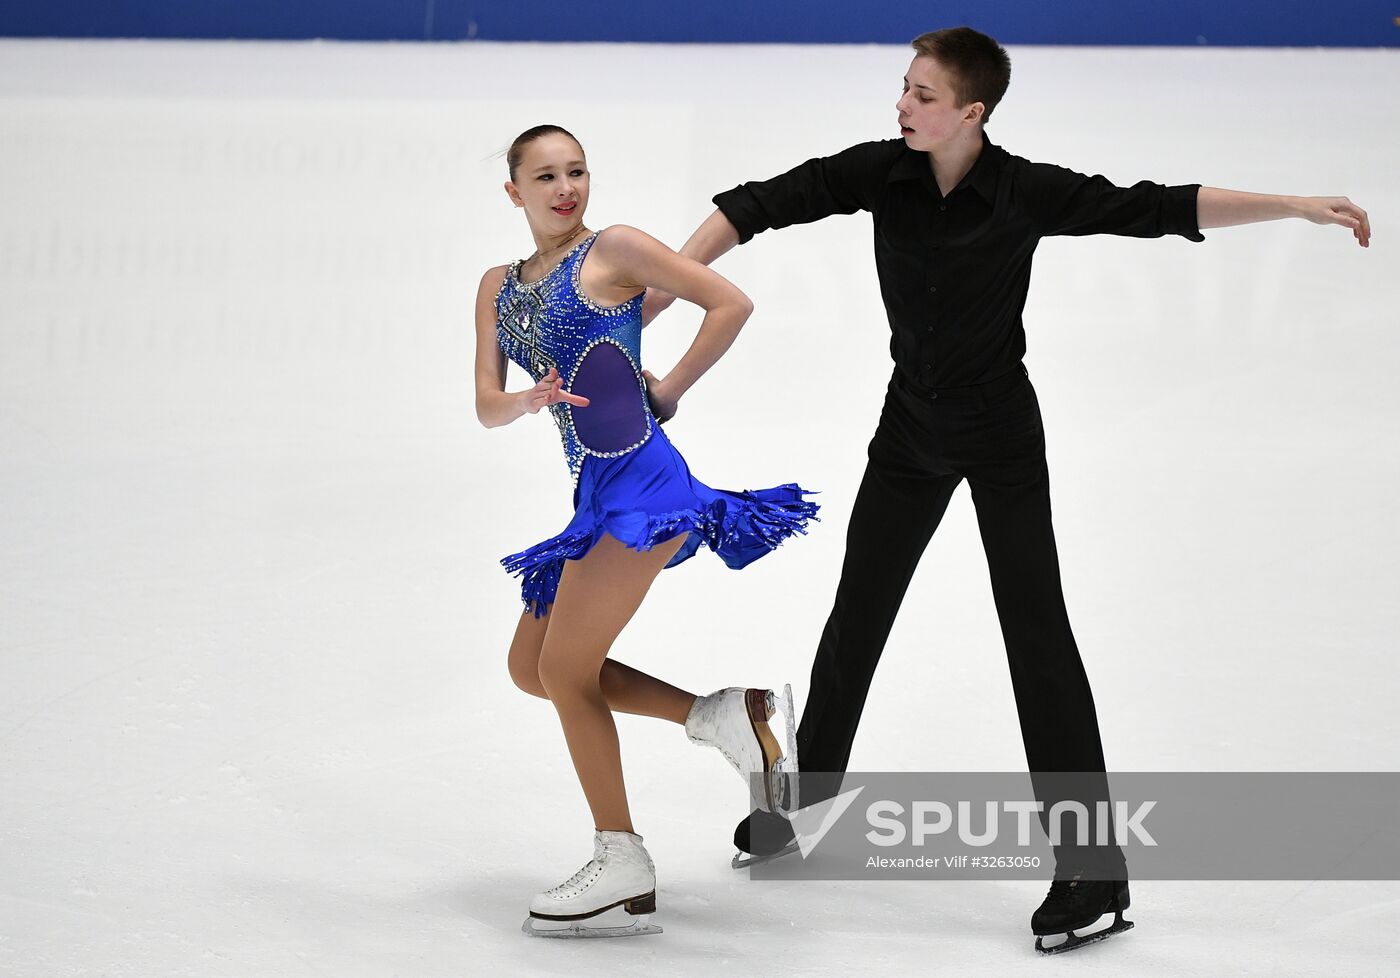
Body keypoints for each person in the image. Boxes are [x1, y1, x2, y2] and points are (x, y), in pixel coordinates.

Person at [645, 26, 1371, 954]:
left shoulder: (1026, 190)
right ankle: (807, 802)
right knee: (858, 611)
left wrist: (1294, 206)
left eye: (922, 96)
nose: (902, 107)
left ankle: (1093, 873)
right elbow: (754, 205)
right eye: (903, 88)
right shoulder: (882, 172)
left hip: (999, 437)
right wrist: (670, 284)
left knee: (1038, 635)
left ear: (972, 113)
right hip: (909, 429)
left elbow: (1160, 206)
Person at [474, 125, 816, 938]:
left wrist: (672, 389)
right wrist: (523, 401)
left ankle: (621, 859)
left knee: (564, 665)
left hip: (646, 488)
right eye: (546, 176)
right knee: (533, 667)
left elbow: (729, 302)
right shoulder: (496, 286)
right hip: (596, 496)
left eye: (578, 171)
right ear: (514, 191)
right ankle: (726, 715)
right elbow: (485, 402)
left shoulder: (616, 249)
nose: (566, 188)